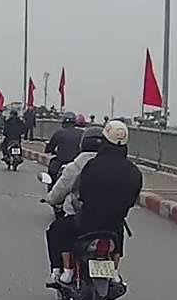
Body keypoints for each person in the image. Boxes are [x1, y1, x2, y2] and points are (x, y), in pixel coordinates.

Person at [47, 120, 142, 285]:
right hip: (113, 225)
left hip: (87, 223)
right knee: (119, 230)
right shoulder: (134, 171)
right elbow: (132, 200)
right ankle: (114, 272)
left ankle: (66, 271)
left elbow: (83, 193)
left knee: (58, 229)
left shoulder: (92, 165)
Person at [44, 112, 85, 183]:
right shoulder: (82, 133)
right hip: (76, 163)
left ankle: (52, 185)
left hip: (61, 162)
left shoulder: (59, 133)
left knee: (52, 169)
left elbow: (48, 149)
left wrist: (50, 149)